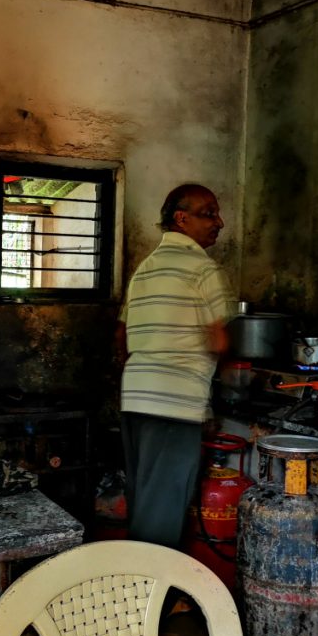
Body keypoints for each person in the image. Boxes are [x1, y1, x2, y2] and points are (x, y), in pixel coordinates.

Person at [116, 183, 235, 547]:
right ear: (181, 219)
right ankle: (156, 599)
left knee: (144, 500)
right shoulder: (204, 269)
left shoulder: (145, 270)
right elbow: (219, 341)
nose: (220, 222)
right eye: (209, 213)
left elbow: (121, 337)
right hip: (174, 403)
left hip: (135, 399)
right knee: (164, 510)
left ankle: (136, 591)